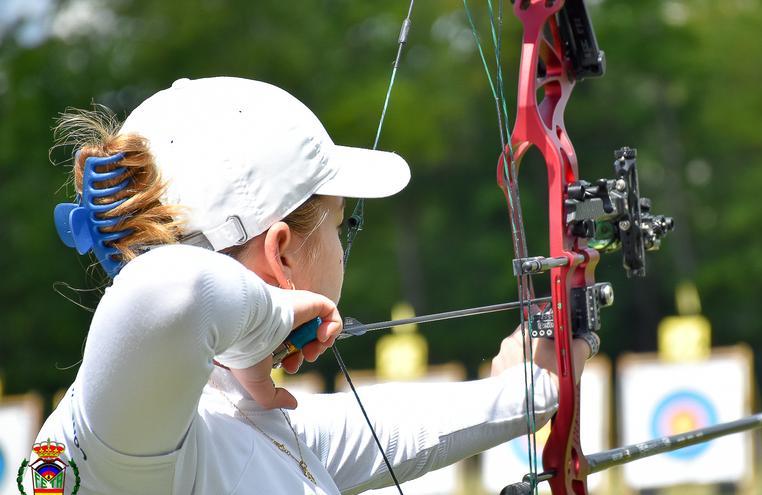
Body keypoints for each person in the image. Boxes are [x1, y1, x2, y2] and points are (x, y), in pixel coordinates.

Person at [35, 76, 589, 494]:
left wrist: (535, 386)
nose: (345, 246)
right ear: (281, 253)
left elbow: (391, 434)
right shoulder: (119, 439)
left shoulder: (242, 413)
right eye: (342, 224)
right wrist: (263, 330)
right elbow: (168, 293)